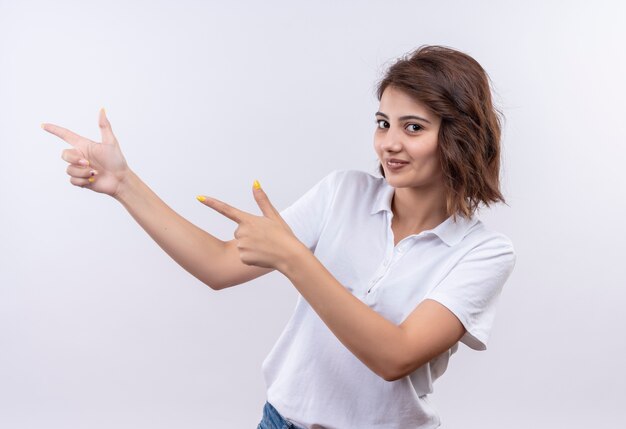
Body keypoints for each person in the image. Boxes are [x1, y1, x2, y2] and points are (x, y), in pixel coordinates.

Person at [42, 44, 516, 429]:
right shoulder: (342, 193)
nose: (389, 142)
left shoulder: (483, 253)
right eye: (382, 123)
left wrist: (294, 259)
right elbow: (219, 266)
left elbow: (395, 356)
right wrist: (124, 184)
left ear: (459, 138)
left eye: (413, 127)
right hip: (280, 422)